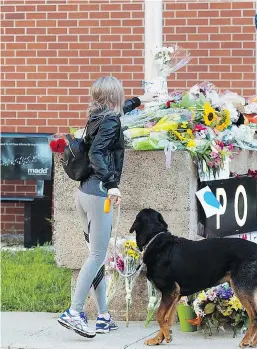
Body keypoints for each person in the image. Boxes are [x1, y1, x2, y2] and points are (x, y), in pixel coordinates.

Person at [58, 76, 154, 338]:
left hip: (84, 194)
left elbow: (117, 115)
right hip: (100, 195)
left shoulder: (97, 116)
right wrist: (112, 184)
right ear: (114, 97)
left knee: (96, 255)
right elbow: (97, 154)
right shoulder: (110, 120)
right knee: (98, 256)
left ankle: (102, 316)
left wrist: (140, 101)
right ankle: (74, 312)